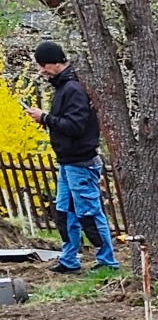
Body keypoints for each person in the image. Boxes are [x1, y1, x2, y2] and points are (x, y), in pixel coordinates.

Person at [28, 41, 120, 275]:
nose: (42, 71)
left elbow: (76, 126)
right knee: (64, 212)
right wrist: (47, 121)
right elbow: (66, 123)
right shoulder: (63, 88)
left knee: (88, 213)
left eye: (44, 66)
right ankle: (70, 259)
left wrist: (46, 118)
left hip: (81, 163)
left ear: (56, 63)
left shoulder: (73, 89)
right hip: (68, 163)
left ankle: (107, 261)